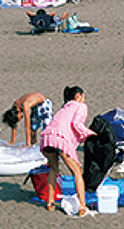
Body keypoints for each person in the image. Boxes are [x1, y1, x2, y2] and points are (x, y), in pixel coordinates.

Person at [39, 86, 94, 215]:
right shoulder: (81, 106)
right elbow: (77, 124)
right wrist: (91, 134)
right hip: (60, 139)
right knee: (77, 172)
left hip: (47, 137)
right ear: (78, 96)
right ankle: (82, 206)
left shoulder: (65, 108)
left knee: (53, 169)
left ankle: (50, 202)